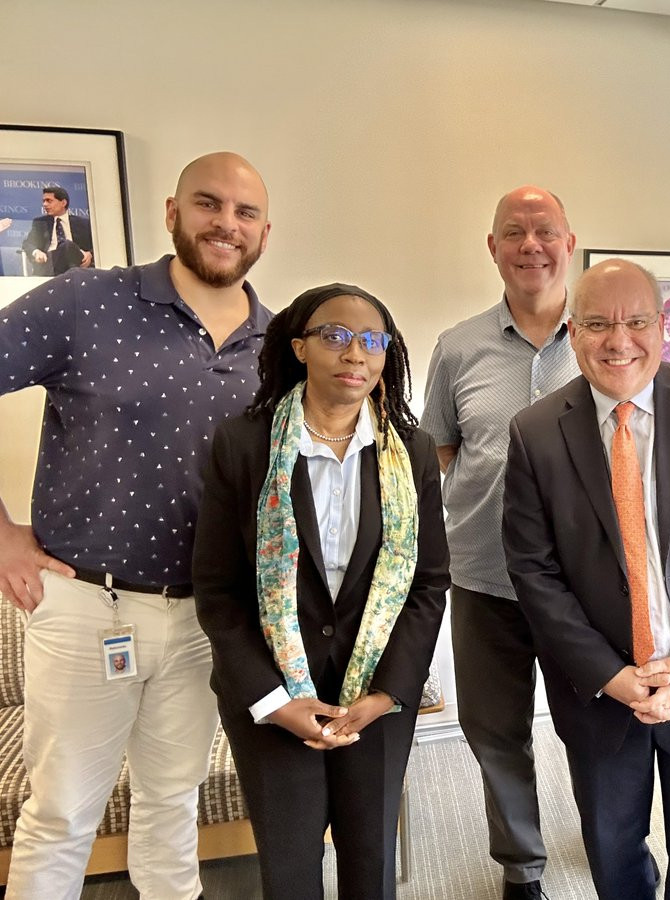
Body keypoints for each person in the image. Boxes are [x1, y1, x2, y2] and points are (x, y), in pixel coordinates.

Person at [0, 151, 272, 899]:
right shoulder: (86, 300)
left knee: (173, 803)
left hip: (206, 618)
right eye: (209, 203)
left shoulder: (279, 344)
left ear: (264, 232)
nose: (226, 223)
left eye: (245, 212)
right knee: (60, 816)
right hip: (87, 605)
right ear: (173, 212)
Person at [504, 259, 670, 900]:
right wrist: (611, 675)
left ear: (662, 327)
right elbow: (534, 571)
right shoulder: (535, 432)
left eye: (635, 322)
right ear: (573, 332)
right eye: (598, 324)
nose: (618, 340)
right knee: (613, 853)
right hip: (602, 692)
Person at [193, 284, 449, 898]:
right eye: (335, 335)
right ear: (300, 347)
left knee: (371, 862)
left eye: (372, 340)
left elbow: (428, 581)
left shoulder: (410, 450)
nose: (355, 353)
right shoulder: (244, 443)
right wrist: (271, 699)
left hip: (375, 694)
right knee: (289, 869)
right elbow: (219, 590)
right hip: (273, 693)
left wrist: (388, 692)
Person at [422, 184, 579, 899]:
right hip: (484, 578)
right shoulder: (458, 348)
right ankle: (522, 867)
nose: (530, 246)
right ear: (493, 248)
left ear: (569, 243)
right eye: (514, 232)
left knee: (596, 727)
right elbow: (442, 452)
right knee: (495, 731)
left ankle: (611, 840)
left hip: (584, 587)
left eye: (545, 231)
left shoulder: (606, 340)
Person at [21, 185, 95, 275]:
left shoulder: (83, 223)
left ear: (63, 203)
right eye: (44, 201)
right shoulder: (41, 223)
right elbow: (27, 244)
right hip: (49, 265)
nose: (45, 204)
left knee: (68, 246)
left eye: (49, 201)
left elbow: (98, 245)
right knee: (67, 246)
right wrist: (36, 252)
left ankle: (72, 274)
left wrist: (90, 254)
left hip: (78, 262)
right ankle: (72, 275)